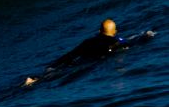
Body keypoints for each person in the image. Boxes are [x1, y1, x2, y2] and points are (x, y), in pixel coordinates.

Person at [23, 19, 155, 86]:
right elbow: (131, 42)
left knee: (64, 67)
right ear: (115, 31)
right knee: (71, 71)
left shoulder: (88, 41)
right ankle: (37, 81)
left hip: (78, 57)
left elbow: (71, 54)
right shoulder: (117, 41)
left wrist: (53, 65)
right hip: (92, 60)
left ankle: (37, 78)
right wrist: (148, 36)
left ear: (99, 31)